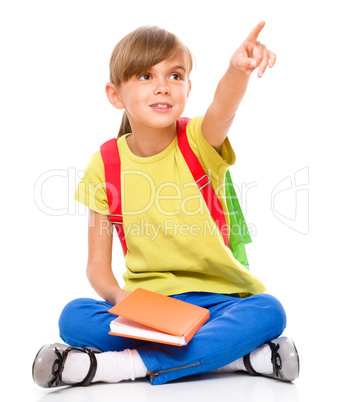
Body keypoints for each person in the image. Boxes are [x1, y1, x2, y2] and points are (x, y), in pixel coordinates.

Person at [32, 22, 299, 388]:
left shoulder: (197, 142)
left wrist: (238, 70)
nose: (162, 86)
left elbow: (224, 107)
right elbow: (97, 266)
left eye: (175, 75)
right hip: (149, 309)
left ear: (188, 88)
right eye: (145, 75)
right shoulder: (104, 165)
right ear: (115, 95)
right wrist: (122, 298)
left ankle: (121, 367)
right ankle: (236, 358)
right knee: (74, 316)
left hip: (217, 306)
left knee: (268, 311)